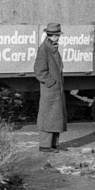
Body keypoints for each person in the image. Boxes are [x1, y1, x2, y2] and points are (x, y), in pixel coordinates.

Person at [34, 23, 67, 152]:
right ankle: (45, 146)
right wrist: (51, 83)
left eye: (58, 35)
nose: (57, 38)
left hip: (54, 89)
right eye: (56, 36)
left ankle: (53, 144)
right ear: (50, 36)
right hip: (50, 89)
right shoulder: (44, 49)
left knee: (55, 117)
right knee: (48, 118)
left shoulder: (52, 47)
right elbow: (39, 71)